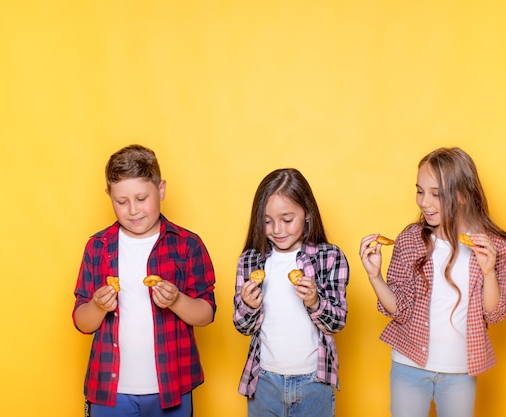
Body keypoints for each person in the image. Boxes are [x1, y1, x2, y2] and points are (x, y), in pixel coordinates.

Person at [359, 147, 506, 417]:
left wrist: (489, 271)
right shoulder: (410, 240)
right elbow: (399, 309)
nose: (424, 202)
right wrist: (374, 276)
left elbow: (495, 314)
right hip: (408, 364)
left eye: (436, 194)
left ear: (460, 195)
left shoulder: (494, 247)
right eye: (420, 191)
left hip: (459, 371)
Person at [72, 144, 216, 417]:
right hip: (108, 391)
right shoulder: (98, 247)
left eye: (141, 198)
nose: (133, 210)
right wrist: (99, 306)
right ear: (109, 196)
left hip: (172, 387)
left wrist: (176, 300)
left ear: (160, 190)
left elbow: (206, 314)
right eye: (121, 201)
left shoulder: (187, 245)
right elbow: (82, 322)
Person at [233, 168, 349, 417]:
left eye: (287, 220)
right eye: (267, 221)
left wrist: (315, 301)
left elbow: (337, 322)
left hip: (314, 383)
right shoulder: (250, 261)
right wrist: (248, 305)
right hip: (264, 382)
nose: (277, 229)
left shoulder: (329, 257)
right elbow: (242, 328)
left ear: (307, 213)